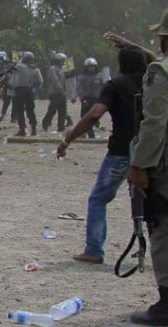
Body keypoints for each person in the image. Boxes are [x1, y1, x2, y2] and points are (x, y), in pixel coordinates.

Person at [57, 46, 148, 264]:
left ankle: (94, 249)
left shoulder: (115, 85)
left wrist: (68, 139)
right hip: (150, 150)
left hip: (121, 152)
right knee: (155, 202)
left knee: (98, 199)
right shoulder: (153, 82)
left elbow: (95, 114)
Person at [127, 7, 168, 326]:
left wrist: (140, 165)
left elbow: (154, 123)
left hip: (163, 165)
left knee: (162, 226)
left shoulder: (160, 71)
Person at [9, 52, 43, 136]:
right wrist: (32, 85)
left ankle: (22, 130)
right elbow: (40, 81)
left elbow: (11, 71)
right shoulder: (35, 69)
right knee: (30, 110)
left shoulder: (19, 67)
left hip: (19, 91)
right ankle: (34, 130)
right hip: (29, 90)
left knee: (20, 111)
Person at [41, 52, 72, 133]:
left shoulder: (62, 69)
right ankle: (45, 122)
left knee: (62, 110)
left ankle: (61, 127)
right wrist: (61, 89)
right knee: (52, 109)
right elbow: (55, 81)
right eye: (62, 60)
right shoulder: (53, 69)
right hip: (54, 93)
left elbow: (67, 80)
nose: (64, 62)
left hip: (62, 93)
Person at [74, 58, 104, 139]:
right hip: (85, 98)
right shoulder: (82, 77)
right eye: (89, 67)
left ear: (95, 67)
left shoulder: (100, 76)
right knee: (85, 116)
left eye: (93, 66)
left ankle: (84, 131)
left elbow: (106, 86)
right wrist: (75, 96)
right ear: (86, 67)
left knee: (94, 117)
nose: (91, 68)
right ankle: (91, 135)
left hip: (96, 99)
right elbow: (77, 87)